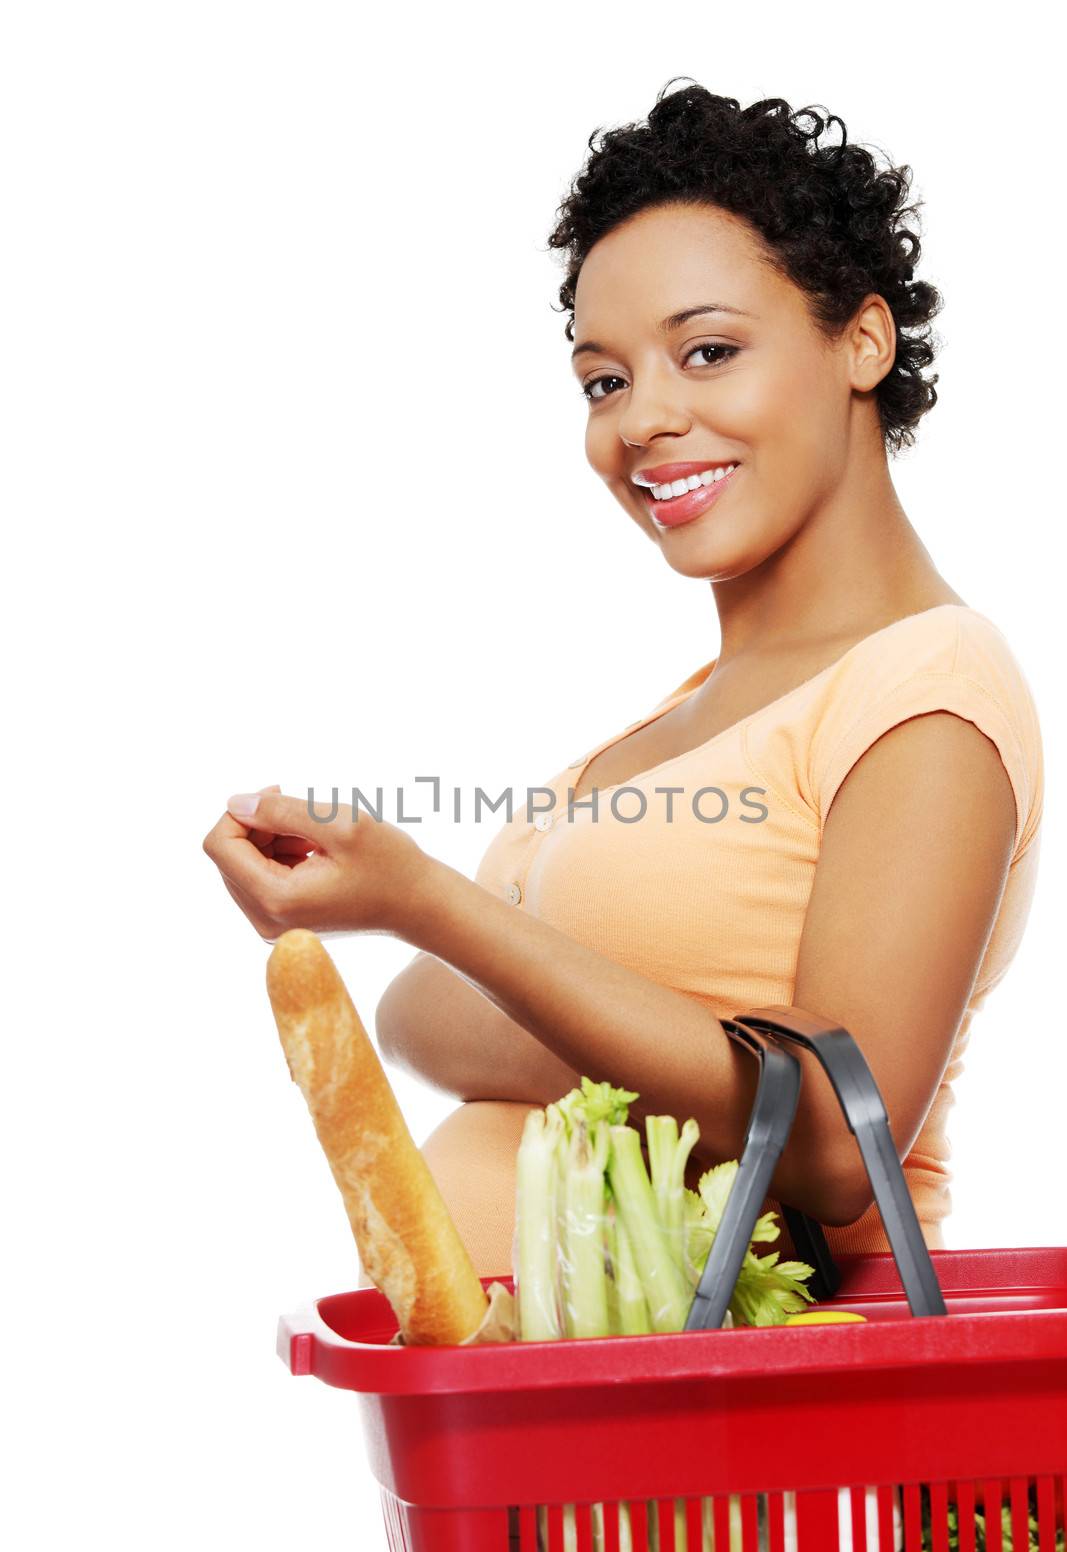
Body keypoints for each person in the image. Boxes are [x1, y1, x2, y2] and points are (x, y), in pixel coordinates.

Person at [203, 82, 1043, 1278]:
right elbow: (413, 1018)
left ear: (861, 341)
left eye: (707, 351)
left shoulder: (926, 687)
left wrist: (436, 908)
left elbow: (826, 1145)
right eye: (603, 380)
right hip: (542, 1441)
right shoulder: (683, 718)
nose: (642, 420)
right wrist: (670, 1039)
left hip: (737, 1438)